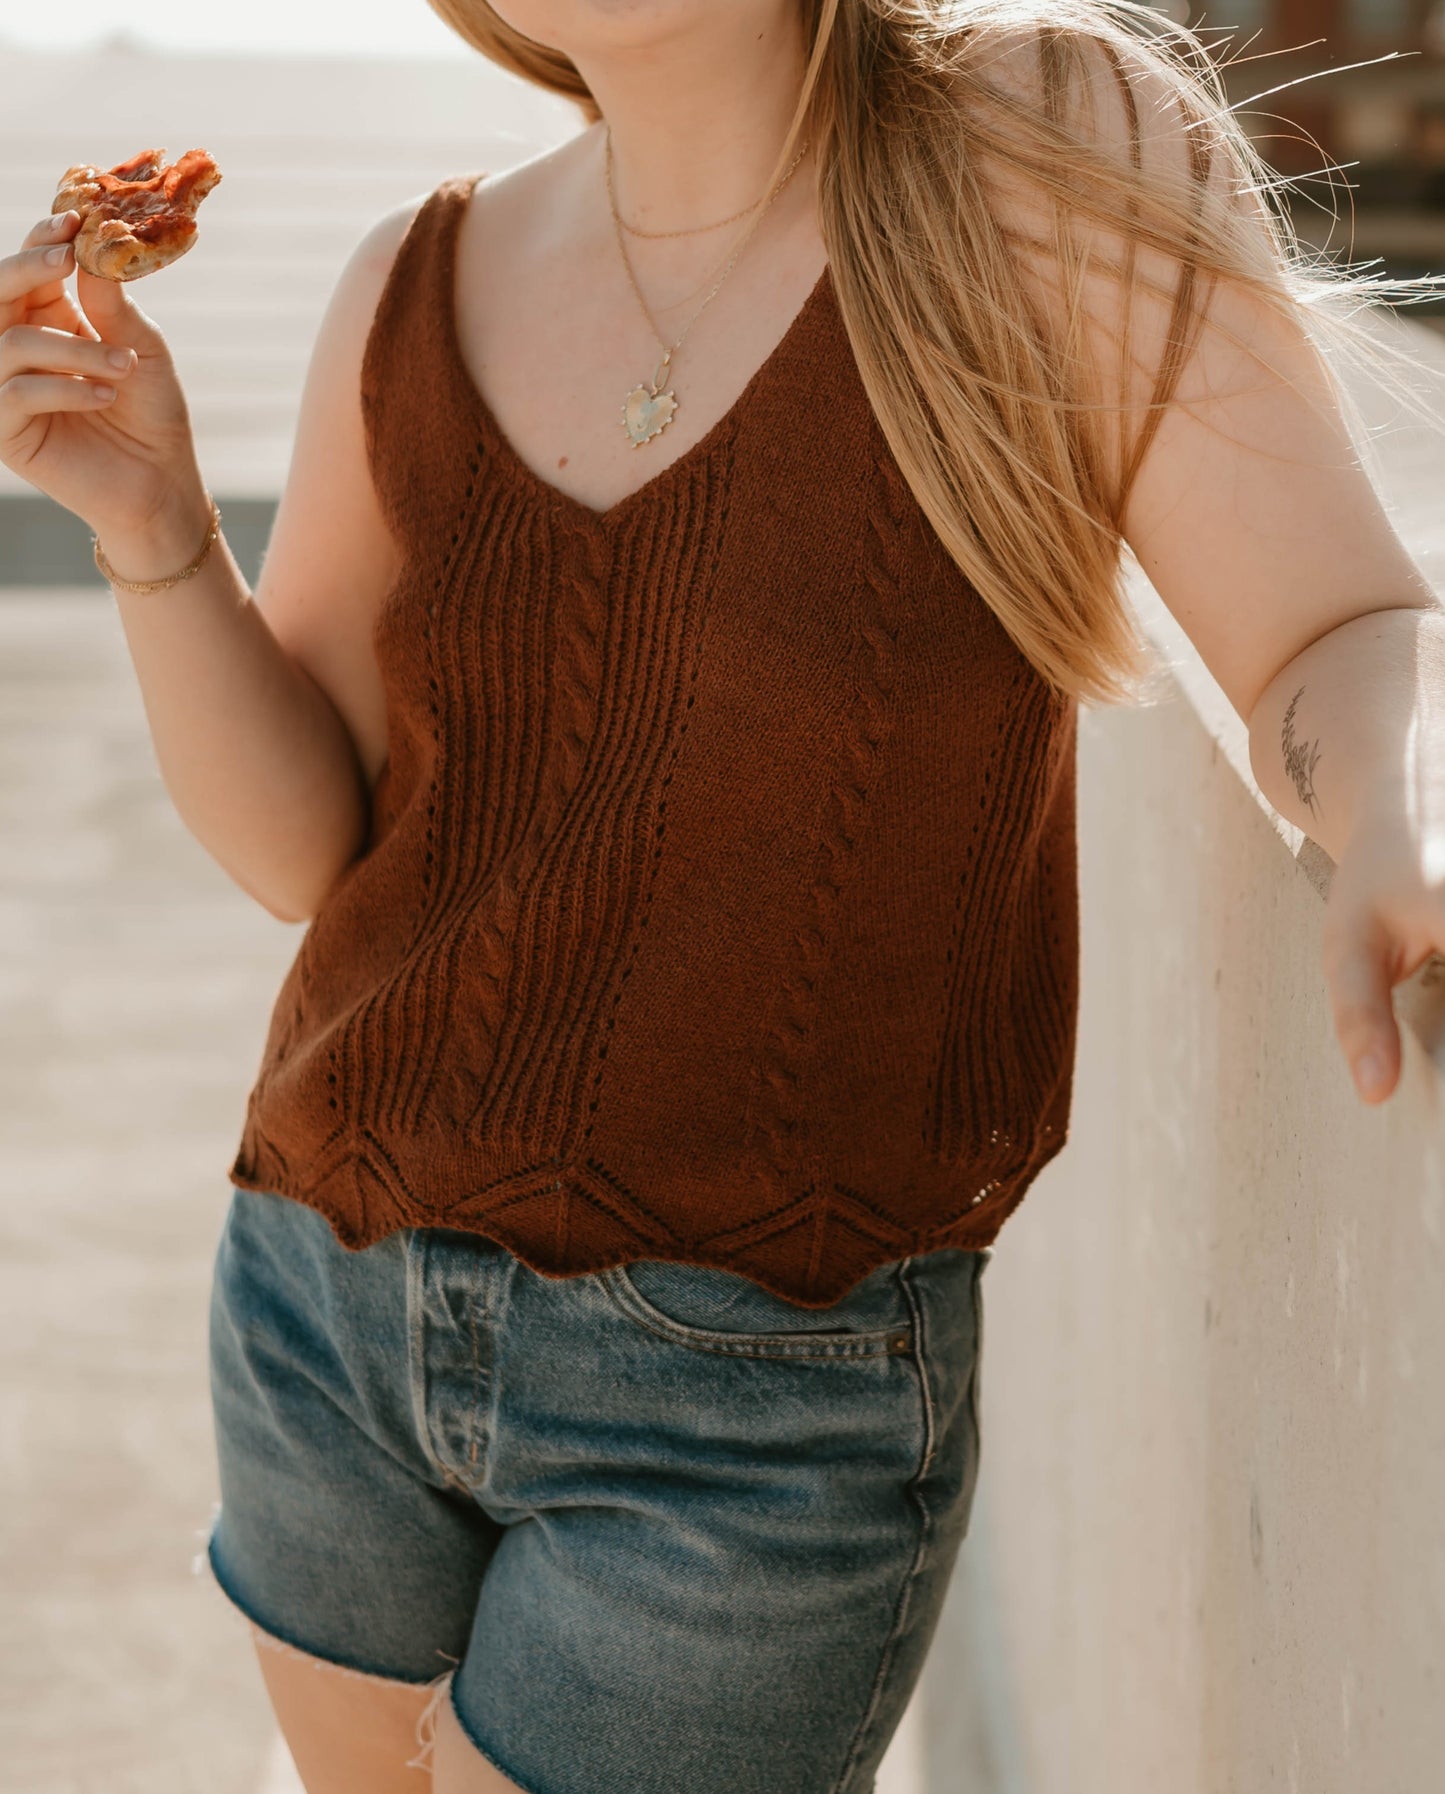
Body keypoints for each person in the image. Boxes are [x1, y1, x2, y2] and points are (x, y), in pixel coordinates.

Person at [4, 3, 1444, 1790]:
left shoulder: (1032, 148)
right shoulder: (408, 276)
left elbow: (1333, 622)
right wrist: (154, 532)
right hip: (327, 1298)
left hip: (763, 1395)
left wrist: (1393, 807)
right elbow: (309, 848)